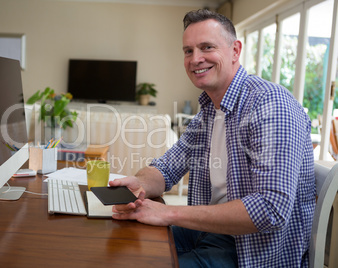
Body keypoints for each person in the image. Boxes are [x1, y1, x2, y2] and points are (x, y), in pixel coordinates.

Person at [110, 9, 315, 268]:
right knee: (122, 247)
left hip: (249, 251)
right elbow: (165, 168)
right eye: (188, 50)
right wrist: (139, 184)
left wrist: (169, 212)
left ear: (235, 51)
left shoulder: (271, 105)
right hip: (208, 232)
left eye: (207, 47)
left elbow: (270, 210)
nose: (196, 59)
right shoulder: (209, 111)